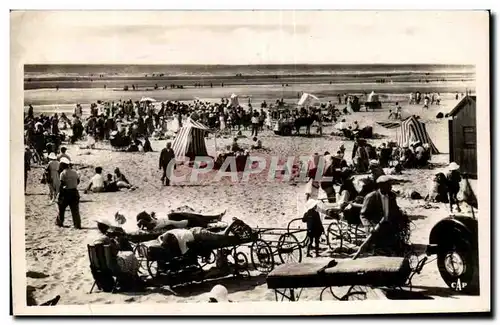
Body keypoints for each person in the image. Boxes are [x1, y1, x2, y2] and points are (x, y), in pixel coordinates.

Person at [57, 157, 81, 229]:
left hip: (67, 192)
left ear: (63, 165)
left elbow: (62, 184)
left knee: (61, 208)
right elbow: (78, 181)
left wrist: (60, 194)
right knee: (75, 210)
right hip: (75, 191)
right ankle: (77, 224)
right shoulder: (74, 172)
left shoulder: (63, 173)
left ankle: (60, 222)